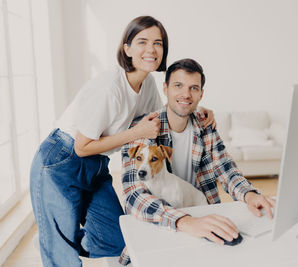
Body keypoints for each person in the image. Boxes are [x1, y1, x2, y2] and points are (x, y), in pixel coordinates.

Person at [30, 16, 215, 267]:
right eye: (142, 42)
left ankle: (59, 236)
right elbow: (81, 147)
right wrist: (136, 133)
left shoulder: (147, 84)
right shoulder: (110, 88)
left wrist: (196, 109)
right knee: (63, 257)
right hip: (61, 159)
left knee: (118, 240)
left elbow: (159, 120)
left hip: (96, 162)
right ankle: (56, 240)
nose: (151, 49)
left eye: (158, 43)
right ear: (126, 48)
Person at [119, 58, 275, 265]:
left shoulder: (205, 125)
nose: (186, 94)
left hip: (202, 217)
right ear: (165, 88)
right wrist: (183, 221)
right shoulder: (143, 127)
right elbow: (134, 195)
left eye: (194, 88)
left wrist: (248, 195)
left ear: (201, 94)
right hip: (159, 222)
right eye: (178, 86)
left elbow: (225, 169)